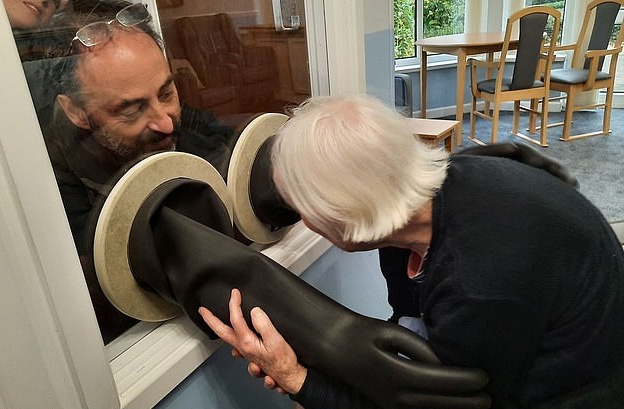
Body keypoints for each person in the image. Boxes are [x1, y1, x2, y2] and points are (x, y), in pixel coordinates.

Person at [200, 94, 624, 409]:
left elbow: (450, 403)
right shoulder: (427, 204)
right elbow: (410, 334)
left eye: (303, 210)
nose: (304, 222)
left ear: (344, 216)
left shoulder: (478, 282)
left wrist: (298, 380)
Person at [48, 2, 237, 256]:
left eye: (166, 93)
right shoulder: (58, 196)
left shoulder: (184, 122)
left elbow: (223, 142)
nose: (166, 123)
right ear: (77, 112)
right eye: (132, 111)